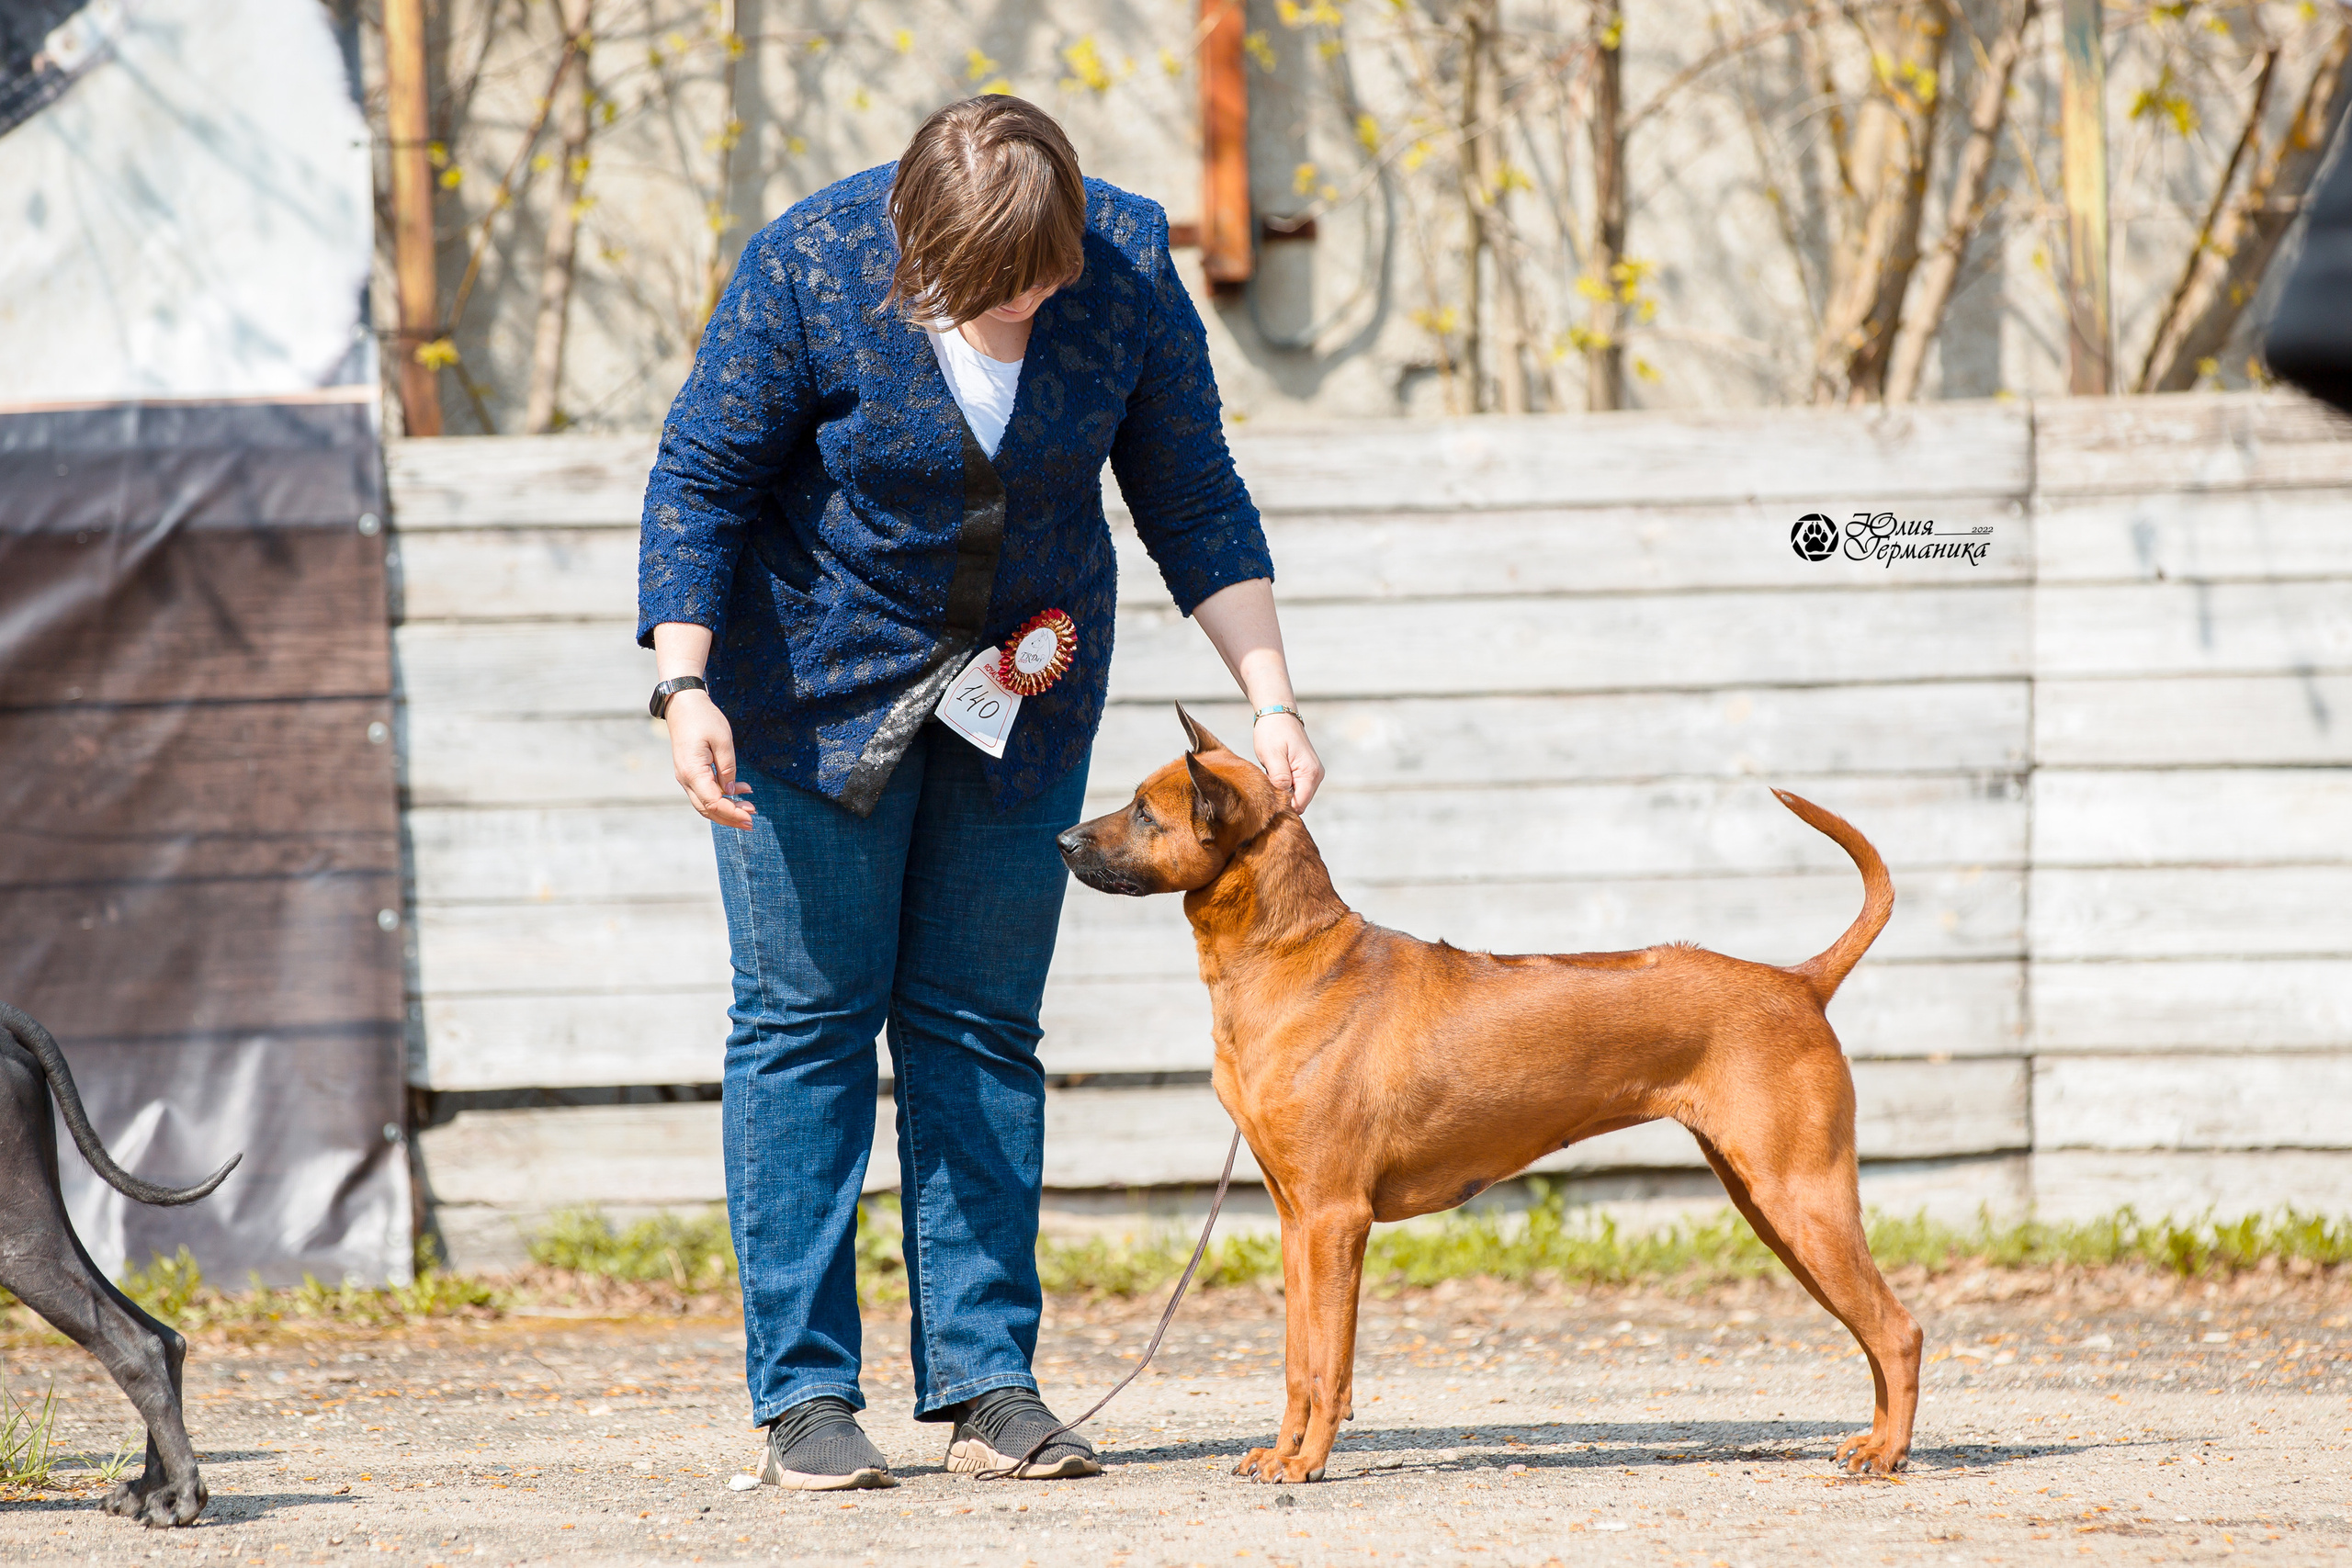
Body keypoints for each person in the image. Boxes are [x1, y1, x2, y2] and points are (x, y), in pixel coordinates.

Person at [634, 96, 1324, 1490]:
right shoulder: (810, 264)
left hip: (1024, 694)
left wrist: (1271, 697)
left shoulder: (1121, 261)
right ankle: (807, 1400)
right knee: (808, 1023)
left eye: (1042, 283)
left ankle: (985, 1380)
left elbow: (1192, 490)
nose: (1023, 314)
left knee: (980, 1023)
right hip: (807, 693)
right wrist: (682, 684)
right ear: (918, 250)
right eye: (989, 293)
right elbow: (701, 479)